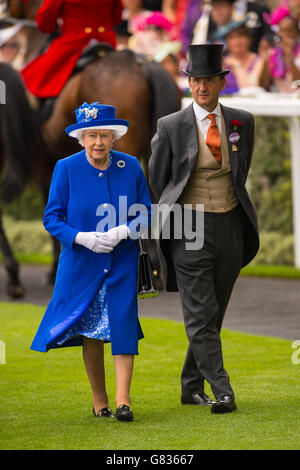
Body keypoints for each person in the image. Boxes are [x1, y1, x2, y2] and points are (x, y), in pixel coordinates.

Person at [149, 44, 259, 413]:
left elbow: (240, 173)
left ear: (219, 84)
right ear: (189, 84)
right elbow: (159, 179)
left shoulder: (243, 121)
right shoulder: (170, 126)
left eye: (208, 81)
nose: (201, 88)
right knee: (199, 312)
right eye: (195, 81)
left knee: (213, 313)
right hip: (187, 226)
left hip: (230, 223)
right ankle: (223, 391)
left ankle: (190, 386)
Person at [31, 102, 152, 422]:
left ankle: (124, 402)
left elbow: (148, 213)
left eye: (104, 135)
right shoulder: (65, 168)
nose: (98, 142)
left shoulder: (131, 166)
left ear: (114, 137)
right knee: (91, 332)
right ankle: (100, 402)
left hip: (122, 261)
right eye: (91, 136)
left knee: (122, 325)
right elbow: (52, 218)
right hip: (81, 265)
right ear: (81, 138)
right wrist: (82, 237)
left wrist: (124, 230)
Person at [21, 0, 123, 98]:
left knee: (32, 80)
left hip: (73, 45)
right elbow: (117, 17)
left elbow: (45, 24)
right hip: (106, 43)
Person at [215, 20, 264, 94]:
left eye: (241, 36)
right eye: (232, 38)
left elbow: (251, 88)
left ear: (249, 39)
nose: (237, 42)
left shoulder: (258, 60)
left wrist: (237, 66)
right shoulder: (221, 62)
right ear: (227, 42)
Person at [259, 5, 300, 93]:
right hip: (279, 101)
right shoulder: (273, 52)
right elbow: (263, 84)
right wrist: (265, 60)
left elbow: (298, 84)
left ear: (297, 33)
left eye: (289, 30)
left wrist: (290, 57)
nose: (285, 35)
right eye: (282, 31)